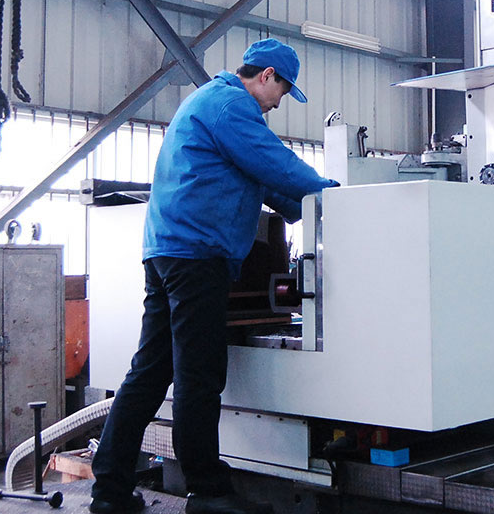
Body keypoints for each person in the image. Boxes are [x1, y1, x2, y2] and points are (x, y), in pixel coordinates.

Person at [90, 38, 339, 514]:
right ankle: (207, 492)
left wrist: (306, 207)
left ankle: (110, 491)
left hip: (169, 252)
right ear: (266, 76)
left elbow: (262, 179)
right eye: (283, 91)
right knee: (199, 376)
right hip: (196, 256)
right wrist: (339, 194)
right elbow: (275, 163)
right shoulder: (231, 106)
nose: (279, 103)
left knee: (150, 372)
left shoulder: (210, 103)